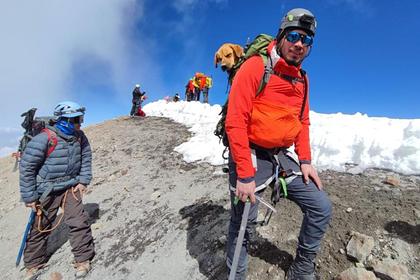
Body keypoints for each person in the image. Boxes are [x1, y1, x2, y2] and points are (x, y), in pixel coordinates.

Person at [225, 8, 332, 280]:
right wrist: (245, 175)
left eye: (306, 40)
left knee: (320, 206)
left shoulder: (302, 79)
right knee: (244, 221)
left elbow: (303, 122)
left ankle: (302, 270)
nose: (299, 44)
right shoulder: (256, 67)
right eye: (294, 36)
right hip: (250, 151)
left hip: (279, 155)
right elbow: (235, 120)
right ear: (282, 36)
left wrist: (305, 161)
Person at [19, 101, 94, 279]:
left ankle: (83, 259)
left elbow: (86, 157)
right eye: (76, 120)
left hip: (70, 187)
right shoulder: (44, 138)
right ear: (65, 120)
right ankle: (33, 263)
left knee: (79, 222)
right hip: (47, 190)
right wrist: (30, 197)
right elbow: (27, 168)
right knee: (40, 226)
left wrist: (83, 181)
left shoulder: (80, 136)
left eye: (81, 119)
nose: (80, 123)